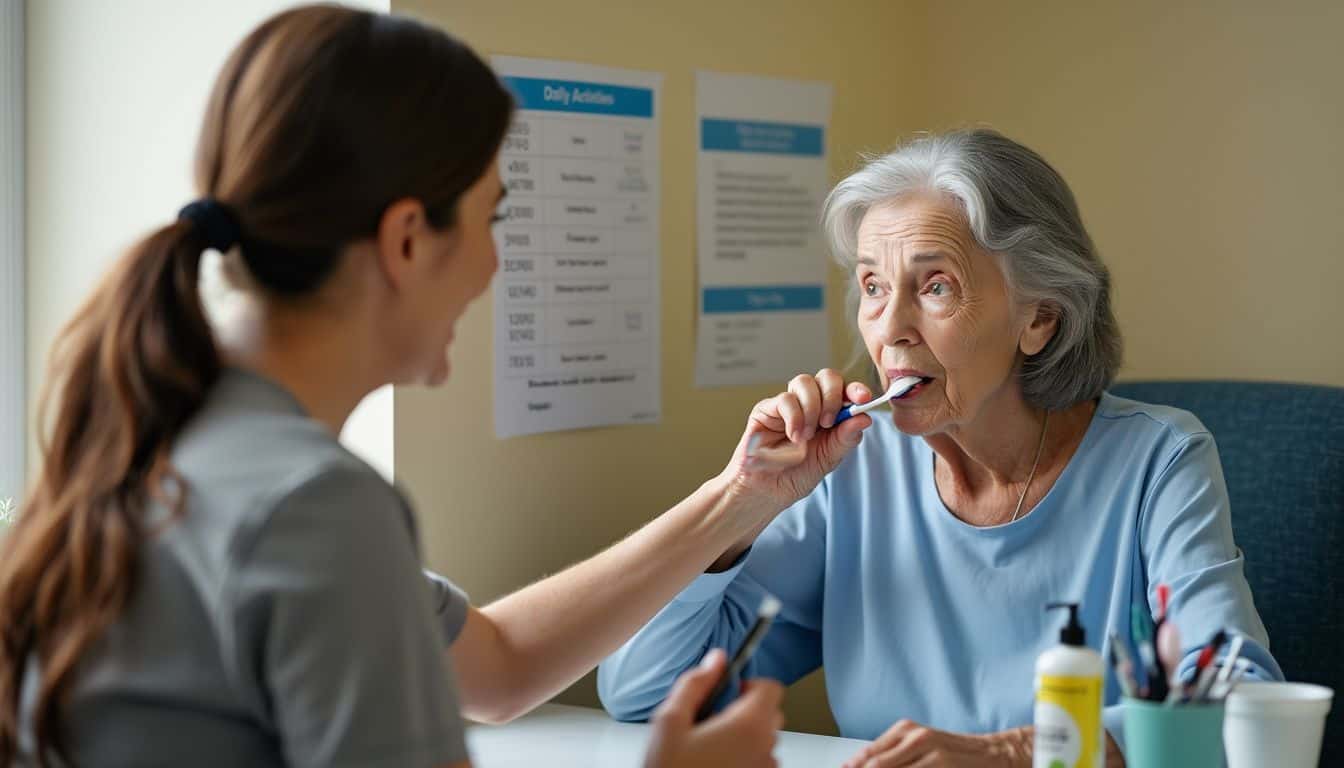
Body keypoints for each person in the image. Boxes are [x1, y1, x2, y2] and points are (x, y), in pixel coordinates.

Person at [0, 7, 817, 766]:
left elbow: (499, 666)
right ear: (405, 240)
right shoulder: (313, 508)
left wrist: (740, 496)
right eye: (491, 219)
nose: (495, 265)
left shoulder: (160, 439)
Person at [598, 129, 1284, 767]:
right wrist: (738, 504)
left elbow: (1243, 703)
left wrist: (1010, 755)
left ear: (1039, 318)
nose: (890, 328)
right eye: (872, 285)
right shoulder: (852, 468)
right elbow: (640, 693)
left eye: (935, 286)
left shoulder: (1159, 461)